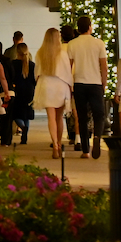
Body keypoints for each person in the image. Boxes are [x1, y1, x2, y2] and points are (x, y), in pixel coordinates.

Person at [67, 15, 109, 159]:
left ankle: (85, 150)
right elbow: (104, 66)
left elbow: (69, 66)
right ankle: (97, 137)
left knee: (82, 117)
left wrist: (70, 85)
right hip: (95, 83)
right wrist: (104, 84)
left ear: (78, 28)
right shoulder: (99, 43)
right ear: (90, 26)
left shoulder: (72, 44)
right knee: (99, 115)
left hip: (79, 84)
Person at [35, 27, 73, 158]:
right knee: (59, 117)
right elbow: (67, 73)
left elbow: (37, 73)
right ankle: (59, 142)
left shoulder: (40, 53)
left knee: (51, 118)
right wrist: (70, 87)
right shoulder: (62, 53)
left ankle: (55, 145)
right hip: (60, 86)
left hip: (46, 85)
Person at [0, 42, 36, 146]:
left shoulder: (13, 64)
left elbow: (11, 77)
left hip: (17, 91)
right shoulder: (32, 65)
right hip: (29, 91)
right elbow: (35, 80)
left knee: (15, 114)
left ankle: (22, 127)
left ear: (17, 52)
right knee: (26, 115)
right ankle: (24, 137)